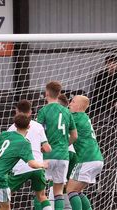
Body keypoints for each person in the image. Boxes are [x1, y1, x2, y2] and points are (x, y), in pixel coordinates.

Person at [36, 81, 78, 210]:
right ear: (59, 93)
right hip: (63, 155)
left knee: (40, 191)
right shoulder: (67, 112)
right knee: (58, 191)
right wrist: (65, 145)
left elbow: (38, 132)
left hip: (48, 154)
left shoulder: (43, 110)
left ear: (46, 93)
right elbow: (75, 136)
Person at [7, 100, 52, 210]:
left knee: (6, 194)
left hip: (21, 167)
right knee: (41, 196)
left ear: (17, 111)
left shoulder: (12, 128)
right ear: (31, 111)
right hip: (37, 166)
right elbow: (47, 148)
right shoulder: (38, 126)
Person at [67, 95, 104, 210]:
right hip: (97, 159)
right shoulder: (84, 117)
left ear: (78, 106)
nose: (69, 104)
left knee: (70, 190)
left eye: (72, 102)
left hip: (86, 158)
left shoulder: (75, 117)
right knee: (77, 191)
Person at [90, 55, 117, 120]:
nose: (112, 66)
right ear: (106, 64)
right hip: (102, 99)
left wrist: (115, 101)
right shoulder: (100, 75)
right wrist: (110, 103)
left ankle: (114, 127)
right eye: (109, 64)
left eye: (114, 63)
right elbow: (99, 91)